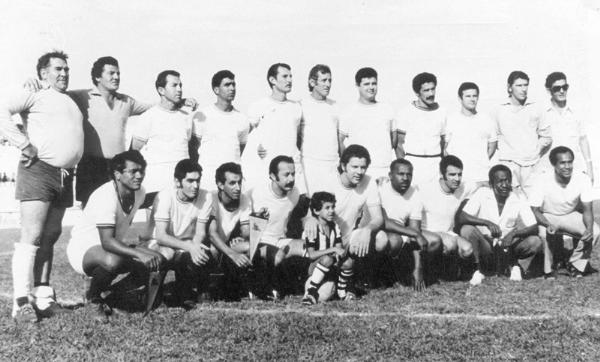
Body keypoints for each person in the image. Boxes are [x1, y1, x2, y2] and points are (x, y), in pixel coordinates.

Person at [24, 56, 197, 206]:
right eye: (111, 73)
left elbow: (155, 106)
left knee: (116, 209)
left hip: (117, 166)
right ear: (98, 77)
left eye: (118, 73)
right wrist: (35, 81)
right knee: (91, 210)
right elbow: (55, 91)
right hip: (91, 164)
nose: (116, 77)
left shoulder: (126, 101)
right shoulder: (81, 96)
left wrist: (180, 101)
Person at [0, 51, 84, 322]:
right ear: (43, 73)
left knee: (50, 236)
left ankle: (43, 298)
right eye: (57, 69)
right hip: (39, 170)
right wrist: (23, 144)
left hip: (66, 175)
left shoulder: (71, 99)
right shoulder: (34, 92)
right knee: (31, 236)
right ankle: (21, 302)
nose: (64, 73)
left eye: (66, 69)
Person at [66, 150, 165, 323]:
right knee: (114, 261)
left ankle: (112, 297)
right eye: (133, 171)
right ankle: (93, 299)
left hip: (110, 247)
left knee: (157, 260)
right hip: (84, 248)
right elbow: (107, 242)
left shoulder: (139, 192)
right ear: (117, 174)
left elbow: (148, 199)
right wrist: (139, 252)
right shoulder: (106, 196)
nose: (139, 175)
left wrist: (170, 193)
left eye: (142, 171)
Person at [285, 145, 383, 299]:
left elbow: (378, 218)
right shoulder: (328, 181)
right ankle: (311, 281)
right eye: (354, 167)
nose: (359, 172)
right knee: (323, 294)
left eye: (363, 167)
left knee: (381, 238)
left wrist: (367, 230)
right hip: (325, 246)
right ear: (343, 166)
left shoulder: (369, 182)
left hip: (346, 243)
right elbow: (309, 215)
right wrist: (310, 219)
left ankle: (358, 279)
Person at [458, 164, 543, 285]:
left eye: (508, 180)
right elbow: (463, 216)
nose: (505, 185)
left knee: (535, 241)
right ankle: (476, 270)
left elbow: (533, 226)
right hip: (486, 245)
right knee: (467, 230)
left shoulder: (518, 197)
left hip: (507, 248)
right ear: (491, 184)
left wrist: (513, 234)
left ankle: (516, 266)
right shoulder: (482, 193)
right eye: (500, 181)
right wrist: (486, 223)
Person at [146, 159, 214, 309]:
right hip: (157, 242)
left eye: (198, 180)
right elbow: (161, 236)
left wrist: (195, 247)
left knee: (201, 249)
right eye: (190, 181)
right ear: (177, 182)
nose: (195, 186)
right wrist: (190, 247)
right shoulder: (165, 196)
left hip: (184, 241)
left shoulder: (206, 196)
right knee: (168, 253)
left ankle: (185, 292)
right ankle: (151, 293)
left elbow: (200, 232)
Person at [530, 146, 599, 278]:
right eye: (562, 163)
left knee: (595, 232)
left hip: (570, 215)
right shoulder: (542, 180)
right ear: (553, 164)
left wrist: (589, 228)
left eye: (570, 162)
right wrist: (547, 224)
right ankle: (549, 270)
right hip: (548, 216)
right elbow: (535, 210)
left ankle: (574, 265)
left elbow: (587, 210)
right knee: (545, 235)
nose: (567, 166)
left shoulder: (582, 178)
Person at [131, 70, 196, 206]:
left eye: (180, 85)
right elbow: (133, 153)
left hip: (181, 187)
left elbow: (190, 148)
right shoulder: (148, 117)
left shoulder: (187, 117)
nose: (179, 89)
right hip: (156, 188)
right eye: (174, 85)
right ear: (161, 90)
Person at [375, 159, 442, 291]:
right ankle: (380, 276)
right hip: (378, 231)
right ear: (390, 175)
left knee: (435, 240)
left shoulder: (415, 194)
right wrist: (414, 233)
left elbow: (414, 230)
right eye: (401, 174)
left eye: (409, 174)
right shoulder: (380, 188)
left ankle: (406, 272)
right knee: (394, 240)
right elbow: (384, 222)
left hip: (402, 231)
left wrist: (418, 268)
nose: (405, 178)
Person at [242, 63, 304, 192]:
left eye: (291, 76)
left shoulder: (296, 107)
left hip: (290, 171)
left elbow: (296, 137)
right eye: (285, 76)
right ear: (272, 80)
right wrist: (256, 147)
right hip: (265, 169)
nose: (290, 80)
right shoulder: (258, 106)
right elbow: (247, 136)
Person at [247, 155, 302, 299]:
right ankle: (258, 286)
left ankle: (311, 286)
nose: (291, 179)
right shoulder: (257, 193)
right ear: (272, 176)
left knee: (307, 248)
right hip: (260, 242)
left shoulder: (295, 192)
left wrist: (309, 220)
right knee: (278, 256)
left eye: (293, 174)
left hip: (280, 240)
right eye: (286, 175)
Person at [492, 70, 552, 196]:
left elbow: (546, 136)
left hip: (532, 164)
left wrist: (536, 151)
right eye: (519, 86)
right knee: (512, 202)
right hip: (509, 164)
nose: (523, 89)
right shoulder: (499, 109)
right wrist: (506, 155)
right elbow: (494, 136)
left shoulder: (536, 107)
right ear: (509, 88)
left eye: (526, 85)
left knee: (534, 202)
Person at [194, 70, 249, 191]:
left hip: (233, 181)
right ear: (216, 90)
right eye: (227, 85)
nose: (232, 88)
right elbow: (193, 147)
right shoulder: (203, 115)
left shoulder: (242, 118)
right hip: (208, 180)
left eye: (234, 84)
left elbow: (241, 148)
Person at [338, 67, 397, 180]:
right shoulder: (348, 111)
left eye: (374, 83)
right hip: (361, 171)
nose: (371, 87)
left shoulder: (387, 109)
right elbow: (340, 141)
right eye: (366, 84)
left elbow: (393, 141)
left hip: (384, 169)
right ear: (358, 85)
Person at [207, 162, 253, 298]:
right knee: (214, 250)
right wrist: (232, 254)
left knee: (248, 246)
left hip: (225, 244)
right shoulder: (211, 198)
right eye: (232, 183)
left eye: (239, 183)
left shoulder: (244, 199)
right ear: (220, 185)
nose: (238, 188)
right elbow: (211, 234)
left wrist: (244, 237)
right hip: (209, 244)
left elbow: (246, 231)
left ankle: (250, 285)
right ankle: (207, 287)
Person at [419, 156, 473, 267]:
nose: (457, 179)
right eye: (452, 175)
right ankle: (431, 270)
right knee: (450, 243)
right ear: (442, 174)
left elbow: (481, 184)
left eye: (459, 174)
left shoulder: (462, 188)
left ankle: (450, 268)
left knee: (467, 249)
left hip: (448, 232)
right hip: (427, 232)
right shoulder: (425, 189)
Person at [396, 72, 448, 187]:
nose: (431, 93)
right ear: (417, 93)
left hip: (435, 165)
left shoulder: (442, 112)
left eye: (433, 89)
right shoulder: (405, 112)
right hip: (414, 165)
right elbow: (399, 144)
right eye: (426, 90)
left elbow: (444, 143)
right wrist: (405, 168)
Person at [542, 72, 593, 182]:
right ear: (548, 90)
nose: (561, 91)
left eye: (564, 87)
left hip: (575, 170)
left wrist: (589, 168)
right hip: (550, 171)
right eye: (557, 88)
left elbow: (583, 140)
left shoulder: (576, 112)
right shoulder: (542, 114)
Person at [299, 64, 342, 195]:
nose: (328, 84)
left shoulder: (335, 106)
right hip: (309, 165)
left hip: (332, 165)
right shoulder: (301, 105)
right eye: (324, 80)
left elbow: (340, 138)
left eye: (330, 80)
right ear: (312, 82)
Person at [445, 82, 497, 185]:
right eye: (468, 96)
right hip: (459, 177)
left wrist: (482, 159)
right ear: (460, 98)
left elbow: (492, 144)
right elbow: (444, 148)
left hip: (481, 175)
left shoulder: (486, 119)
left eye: (475, 96)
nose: (472, 99)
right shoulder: (451, 120)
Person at [301, 192, 346, 305]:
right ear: (316, 211)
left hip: (330, 268)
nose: (331, 210)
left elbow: (339, 250)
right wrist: (333, 250)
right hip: (314, 269)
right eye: (327, 208)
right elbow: (311, 255)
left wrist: (340, 253)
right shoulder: (312, 227)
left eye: (333, 207)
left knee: (348, 261)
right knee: (327, 259)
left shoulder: (335, 226)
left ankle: (343, 289)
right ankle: (311, 291)